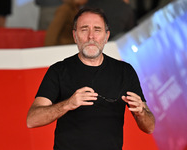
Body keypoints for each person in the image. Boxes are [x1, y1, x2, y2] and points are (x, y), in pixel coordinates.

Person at [27, 7, 155, 150]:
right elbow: (32, 120)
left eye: (97, 30)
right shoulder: (58, 70)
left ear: (106, 36)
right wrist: (68, 104)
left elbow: (150, 127)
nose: (91, 37)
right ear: (75, 36)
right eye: (84, 29)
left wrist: (141, 112)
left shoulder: (124, 71)